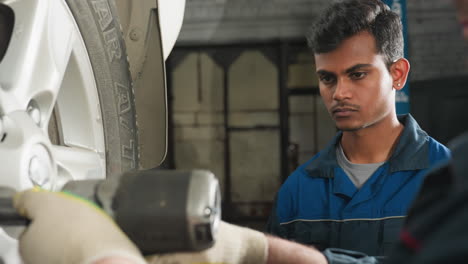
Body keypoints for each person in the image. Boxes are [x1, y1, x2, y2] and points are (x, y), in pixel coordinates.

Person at [266, 0, 451, 255]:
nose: (339, 93)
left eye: (357, 74)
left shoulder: (449, 180)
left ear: (397, 74)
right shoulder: (296, 192)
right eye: (327, 78)